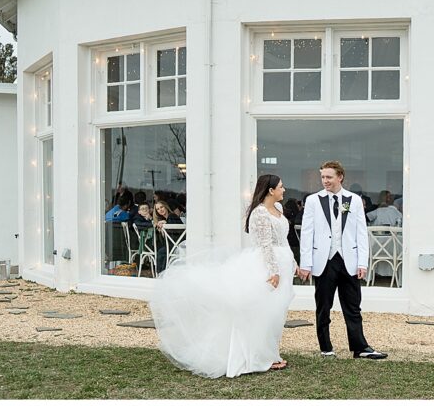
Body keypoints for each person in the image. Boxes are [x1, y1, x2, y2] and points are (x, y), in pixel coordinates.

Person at [150, 173, 295, 378]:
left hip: (283, 262)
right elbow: (265, 244)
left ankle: (270, 353)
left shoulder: (278, 208)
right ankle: (256, 356)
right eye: (281, 186)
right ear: (271, 190)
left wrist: (292, 262)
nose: (284, 189)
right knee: (260, 312)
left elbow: (283, 239)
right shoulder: (260, 213)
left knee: (276, 312)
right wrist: (274, 271)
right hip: (266, 266)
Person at [296, 160, 387, 360]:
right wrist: (306, 264)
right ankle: (326, 348)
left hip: (349, 261)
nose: (325, 181)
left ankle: (360, 348)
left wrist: (362, 262)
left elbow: (361, 232)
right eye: (322, 177)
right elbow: (307, 233)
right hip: (324, 261)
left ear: (340, 177)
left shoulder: (353, 200)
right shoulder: (313, 201)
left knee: (353, 307)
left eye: (329, 177)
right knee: (323, 307)